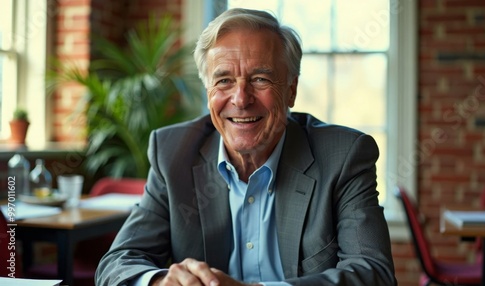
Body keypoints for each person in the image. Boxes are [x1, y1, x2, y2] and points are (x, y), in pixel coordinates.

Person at [95, 8, 397, 286]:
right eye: (224, 81)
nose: (241, 98)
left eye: (260, 79)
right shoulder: (173, 153)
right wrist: (160, 283)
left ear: (290, 90)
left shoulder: (344, 155)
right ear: (208, 91)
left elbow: (373, 272)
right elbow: (117, 263)